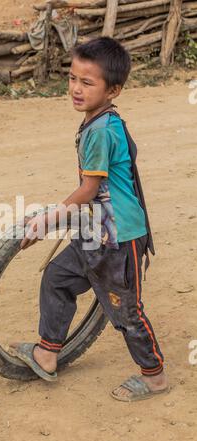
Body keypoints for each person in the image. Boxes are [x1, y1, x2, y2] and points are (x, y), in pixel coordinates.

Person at [10, 37, 169, 402]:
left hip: (118, 238)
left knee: (126, 312)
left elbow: (88, 189)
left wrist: (50, 218)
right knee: (58, 277)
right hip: (95, 231)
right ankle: (48, 353)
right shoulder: (102, 121)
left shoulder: (99, 131)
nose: (76, 89)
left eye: (87, 82)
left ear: (113, 90)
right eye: (72, 78)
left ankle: (155, 376)